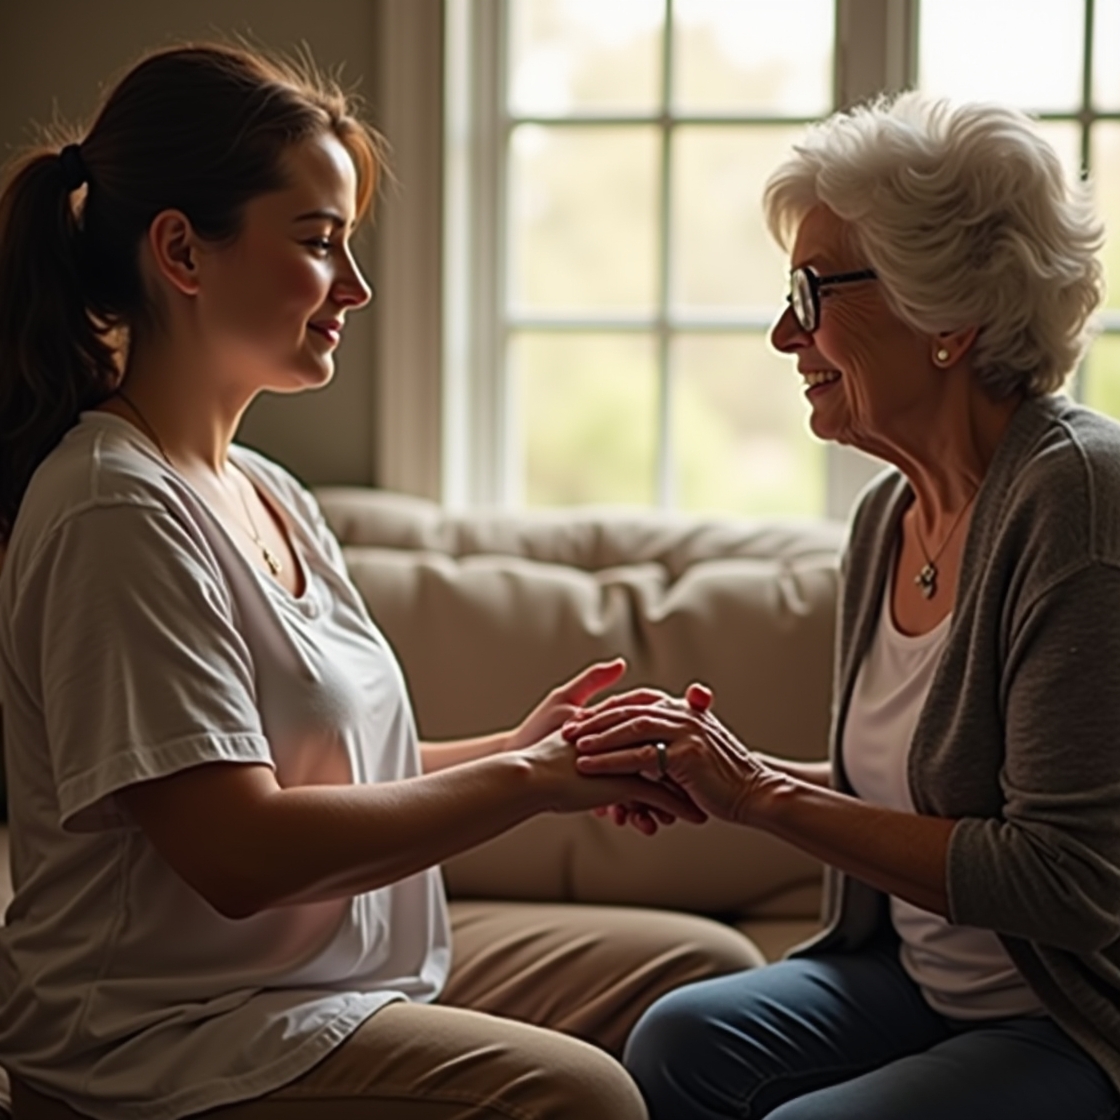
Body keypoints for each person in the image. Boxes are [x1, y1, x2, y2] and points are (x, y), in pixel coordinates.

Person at [0, 43, 759, 1120]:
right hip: (169, 1041)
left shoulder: (266, 489)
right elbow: (238, 851)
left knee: (708, 980)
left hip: (332, 986)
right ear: (181, 250)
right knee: (582, 1097)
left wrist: (534, 746)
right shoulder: (113, 510)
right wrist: (528, 781)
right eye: (319, 242)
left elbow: (327, 771)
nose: (355, 287)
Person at [564, 92, 1120, 1120]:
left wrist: (760, 794)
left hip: (1070, 1016)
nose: (785, 332)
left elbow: (1064, 877)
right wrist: (712, 769)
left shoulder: (1078, 498)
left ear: (945, 313)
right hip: (916, 983)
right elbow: (912, 797)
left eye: (812, 292)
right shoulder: (888, 513)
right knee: (677, 1039)